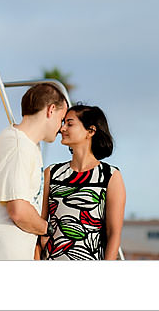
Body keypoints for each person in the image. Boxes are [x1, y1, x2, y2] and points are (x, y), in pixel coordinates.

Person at [0, 83, 68, 260]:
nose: (61, 128)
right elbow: (19, 211)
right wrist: (49, 229)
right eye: (61, 119)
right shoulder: (17, 146)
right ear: (51, 110)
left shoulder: (29, 146)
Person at [40, 104, 126, 260]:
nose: (62, 129)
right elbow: (40, 224)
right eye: (63, 123)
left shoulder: (110, 176)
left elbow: (114, 233)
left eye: (70, 124)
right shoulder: (52, 173)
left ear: (91, 131)